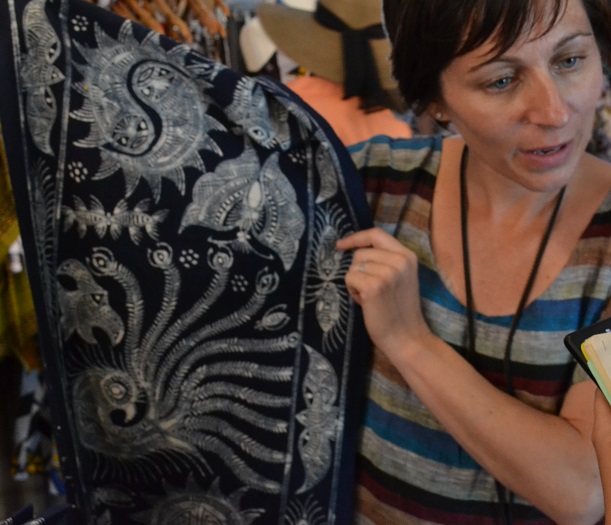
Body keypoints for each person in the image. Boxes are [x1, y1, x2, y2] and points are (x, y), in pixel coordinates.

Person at [335, 0, 611, 523]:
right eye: (502, 81)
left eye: (570, 61)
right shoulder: (371, 185)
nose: (554, 112)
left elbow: (582, 489)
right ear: (436, 98)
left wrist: (409, 340)